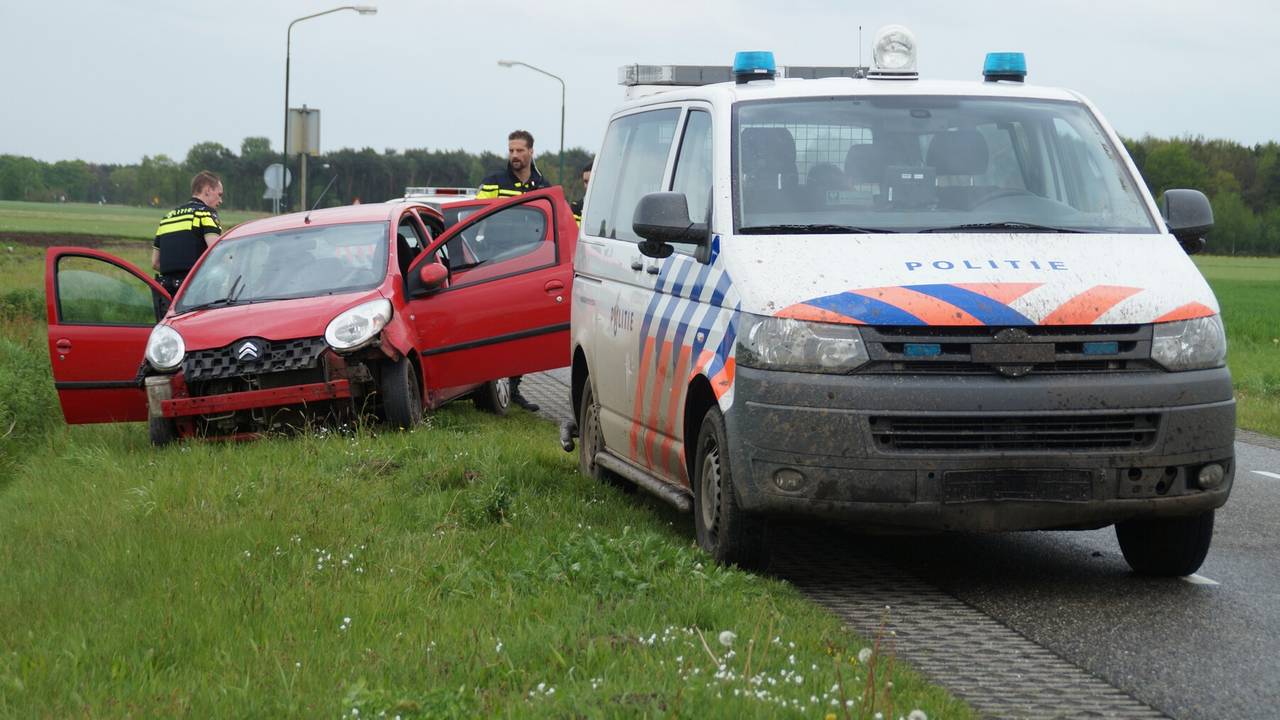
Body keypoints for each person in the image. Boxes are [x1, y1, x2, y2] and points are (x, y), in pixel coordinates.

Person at [474, 130, 552, 412]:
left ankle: (514, 387)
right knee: (495, 326)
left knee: (522, 328)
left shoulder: (542, 185)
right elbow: (475, 215)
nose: (515, 156)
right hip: (496, 263)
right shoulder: (494, 182)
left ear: (531, 151)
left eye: (520, 150)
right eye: (511, 151)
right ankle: (489, 387)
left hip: (529, 265)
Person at [152, 171, 224, 295]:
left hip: (168, 293)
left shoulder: (167, 218)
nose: (221, 200)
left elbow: (155, 263)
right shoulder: (205, 214)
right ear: (207, 190)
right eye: (219, 194)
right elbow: (216, 252)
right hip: (196, 292)